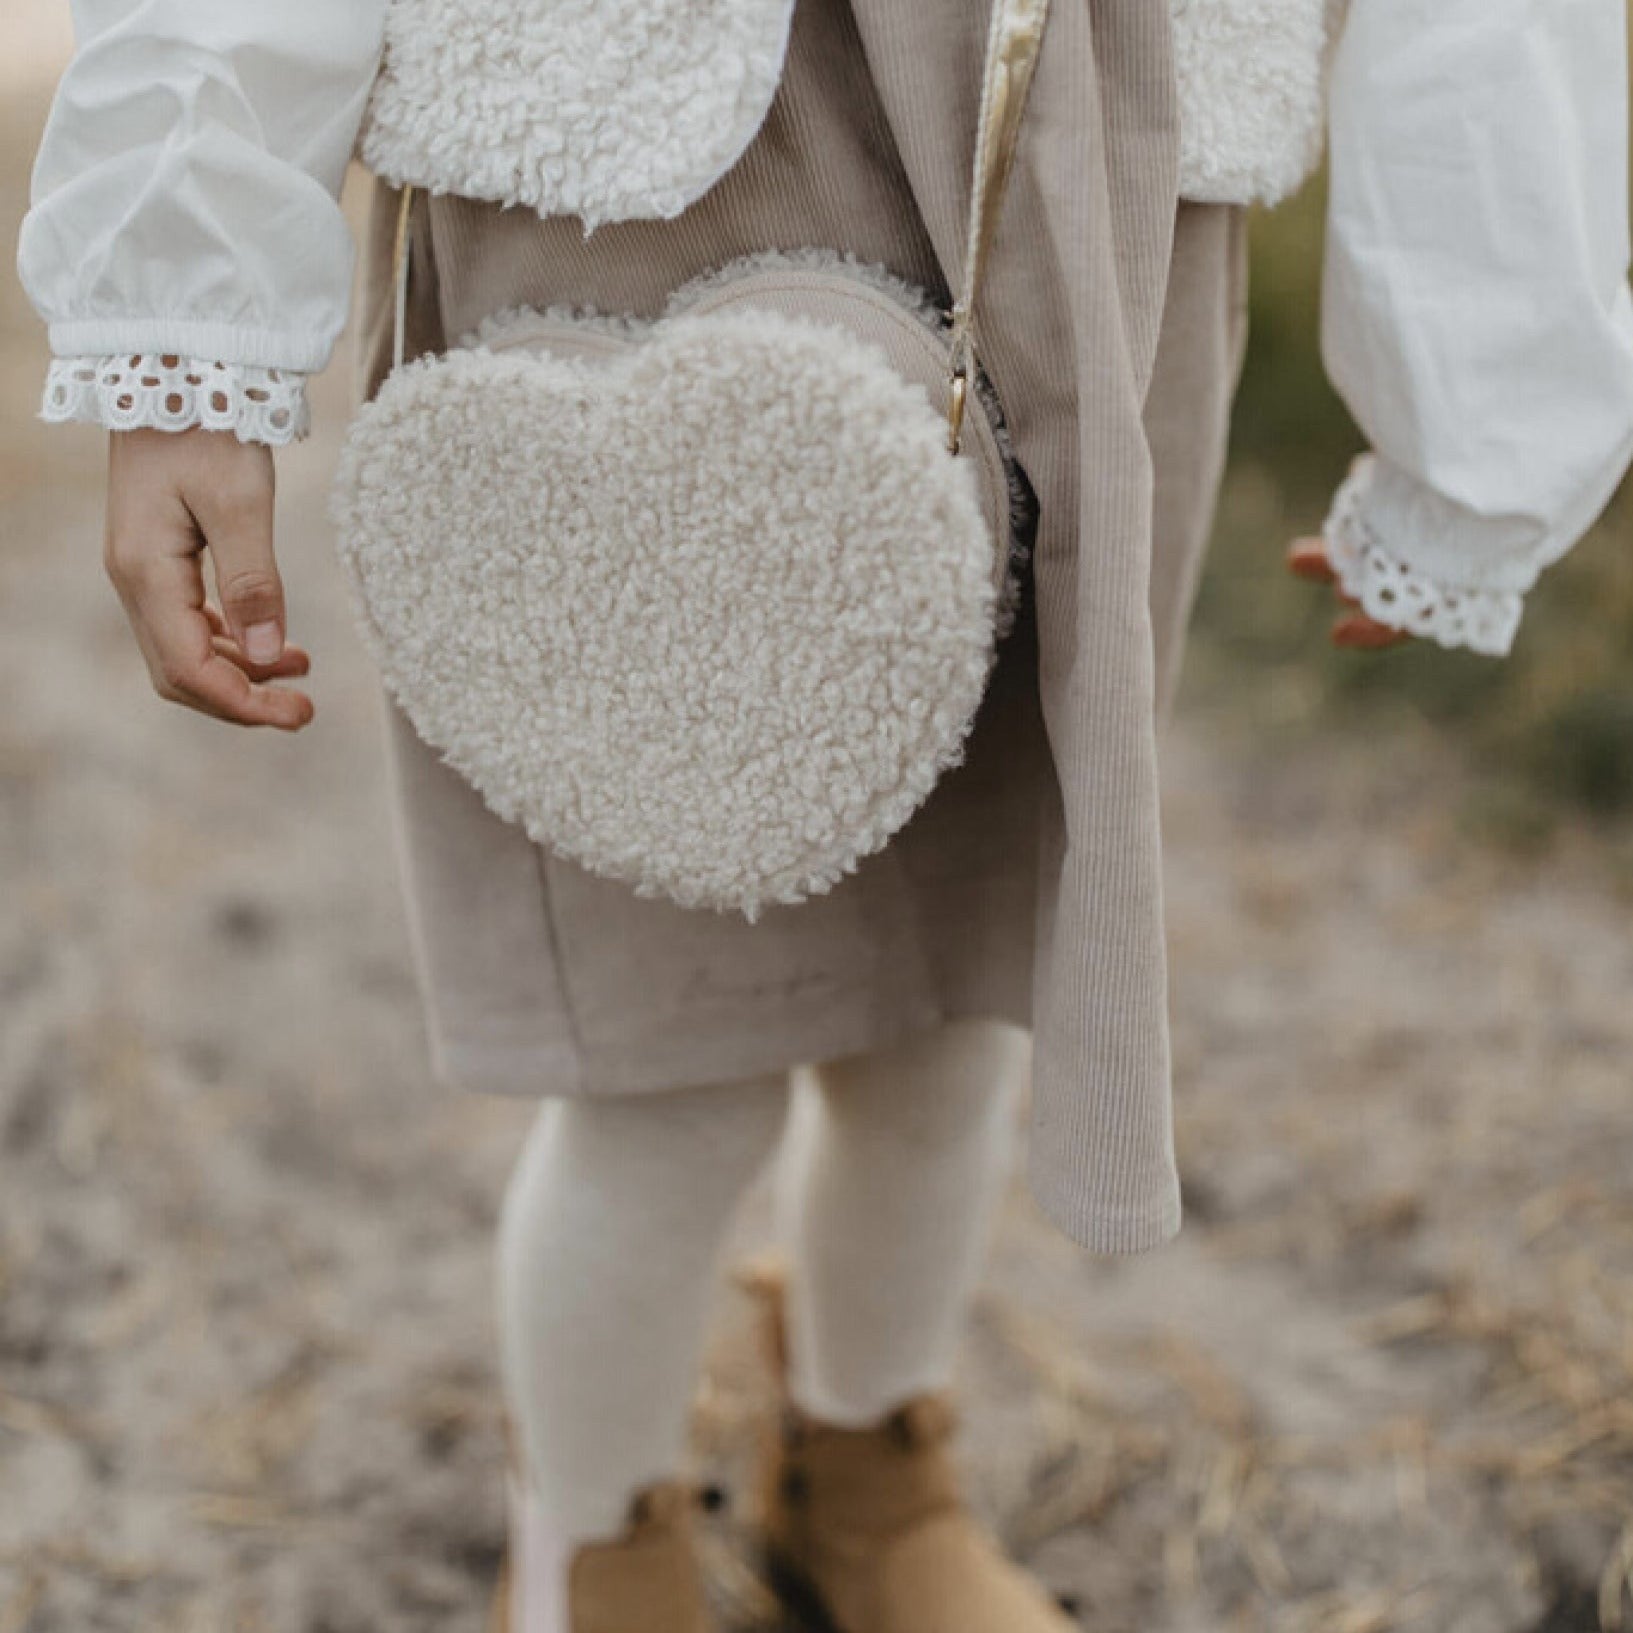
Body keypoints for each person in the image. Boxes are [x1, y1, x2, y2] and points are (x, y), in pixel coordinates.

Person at [18, 1, 1633, 1627]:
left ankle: (865, 1469)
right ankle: (590, 1537)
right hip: (620, 160)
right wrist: (187, 347)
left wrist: (1479, 422)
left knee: (947, 1020)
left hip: (1092, 164)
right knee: (670, 1069)